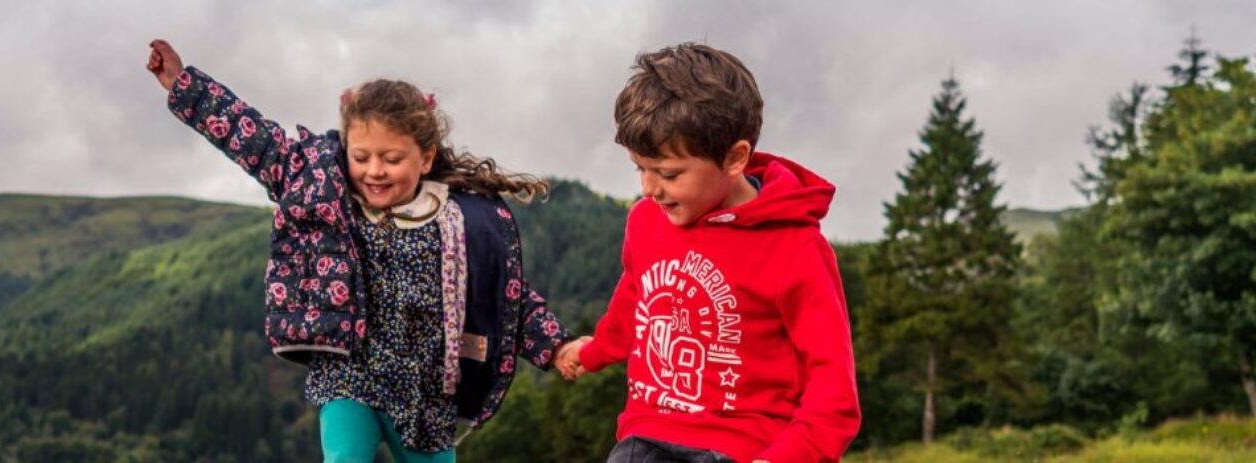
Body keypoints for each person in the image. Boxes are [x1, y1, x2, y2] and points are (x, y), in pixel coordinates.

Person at [147, 39, 583, 463]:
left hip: (424, 395)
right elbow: (259, 142)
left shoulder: (458, 222)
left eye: (392, 159)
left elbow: (505, 298)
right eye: (362, 156)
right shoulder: (325, 188)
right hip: (348, 375)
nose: (374, 170)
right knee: (344, 456)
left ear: (425, 158)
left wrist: (557, 346)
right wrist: (184, 85)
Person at [557, 42, 862, 463]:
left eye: (668, 173)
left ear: (735, 157)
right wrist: (593, 352)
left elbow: (834, 390)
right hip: (647, 437)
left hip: (746, 447)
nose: (648, 188)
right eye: (639, 168)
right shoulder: (646, 220)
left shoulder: (796, 248)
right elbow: (636, 297)